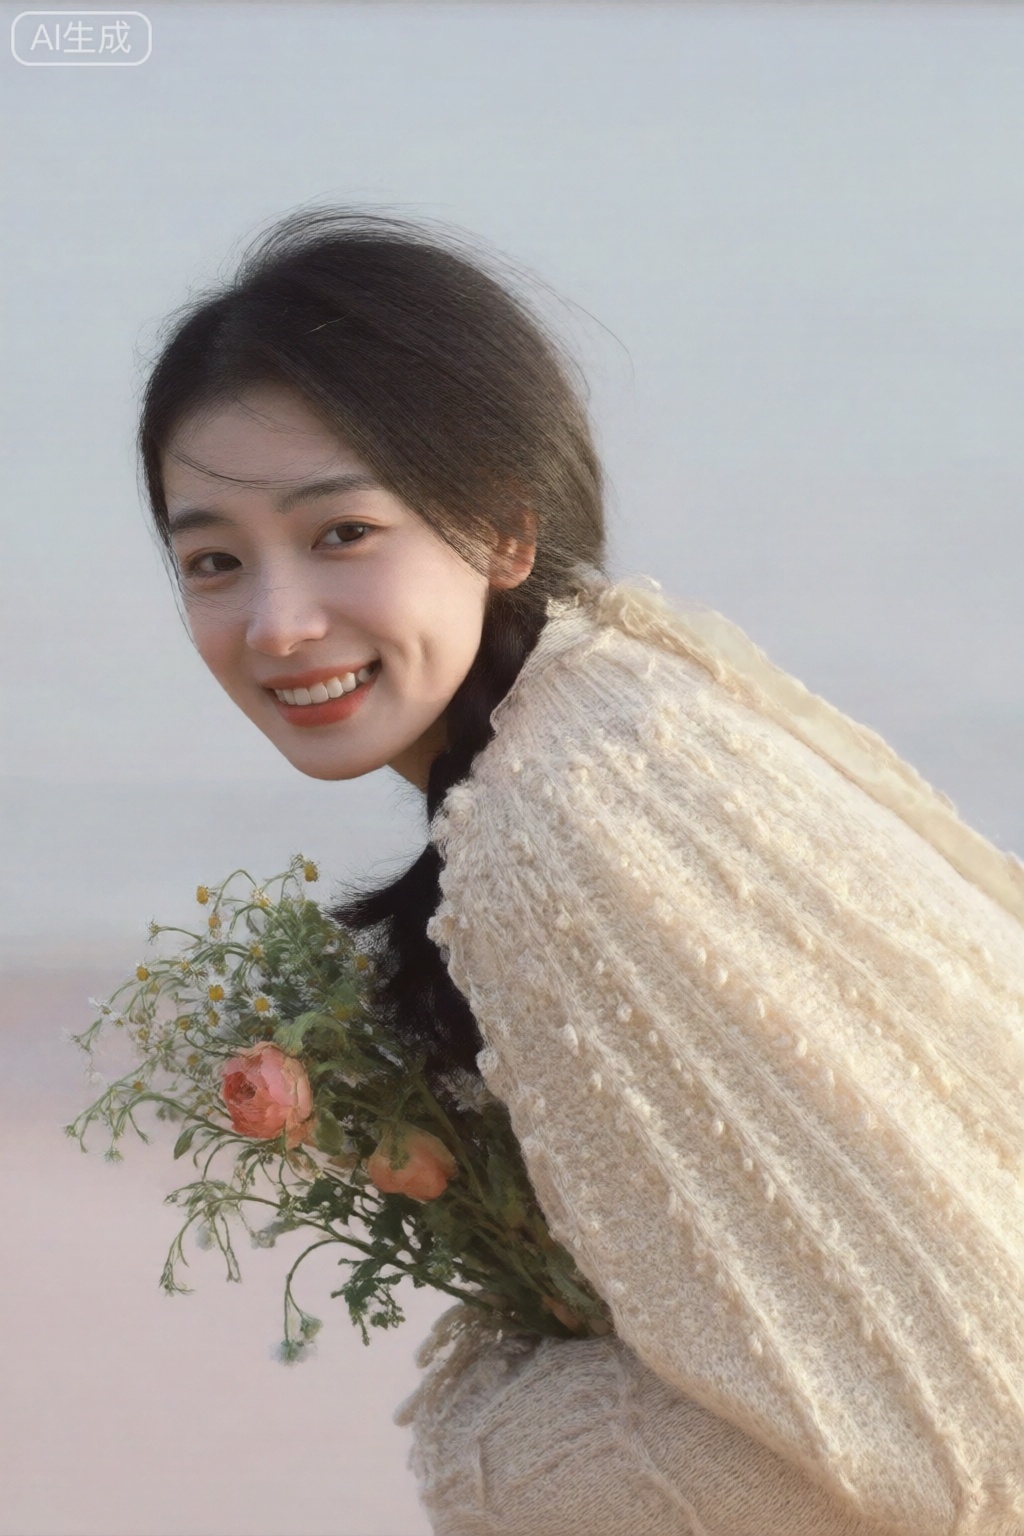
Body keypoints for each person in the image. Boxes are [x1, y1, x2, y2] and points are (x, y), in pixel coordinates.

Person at [137, 206, 1024, 1536]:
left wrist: (496, 1440)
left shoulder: (552, 831)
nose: (275, 623)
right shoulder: (617, 699)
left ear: (503, 530)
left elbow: (970, 1436)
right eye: (213, 560)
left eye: (341, 535)